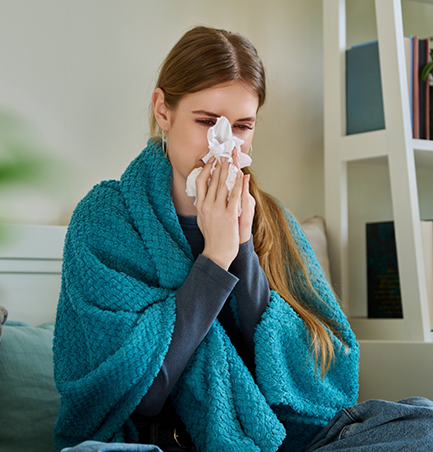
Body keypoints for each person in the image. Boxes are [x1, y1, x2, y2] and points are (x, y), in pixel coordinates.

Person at [53, 26, 433, 452]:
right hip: (160, 441)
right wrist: (214, 259)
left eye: (242, 127)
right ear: (163, 110)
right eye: (205, 122)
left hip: (280, 440)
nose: (223, 146)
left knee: (423, 422)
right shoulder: (106, 220)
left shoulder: (273, 220)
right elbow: (142, 394)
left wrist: (243, 252)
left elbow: (320, 381)